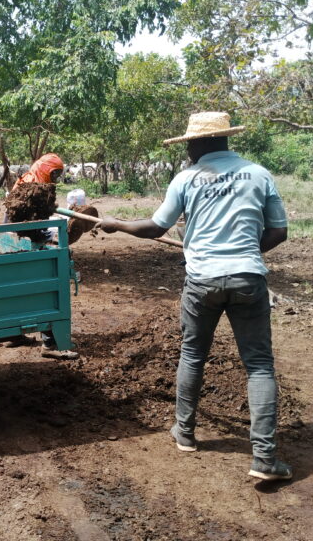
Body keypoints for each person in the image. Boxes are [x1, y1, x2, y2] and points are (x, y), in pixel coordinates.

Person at [98, 111, 291, 481]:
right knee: (259, 366)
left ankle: (184, 433)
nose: (188, 150)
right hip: (248, 279)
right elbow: (278, 232)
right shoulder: (259, 174)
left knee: (193, 355)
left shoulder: (187, 179)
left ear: (202, 143)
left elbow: (156, 226)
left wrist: (116, 224)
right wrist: (244, 253)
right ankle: (264, 459)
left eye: (190, 143)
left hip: (201, 281)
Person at [7, 152, 78, 360]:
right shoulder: (34, 187)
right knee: (47, 287)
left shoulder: (29, 180)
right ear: (45, 169)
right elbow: (30, 225)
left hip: (14, 240)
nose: (55, 179)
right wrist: (52, 234)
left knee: (15, 289)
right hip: (23, 242)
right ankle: (50, 343)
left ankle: (14, 334)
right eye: (54, 173)